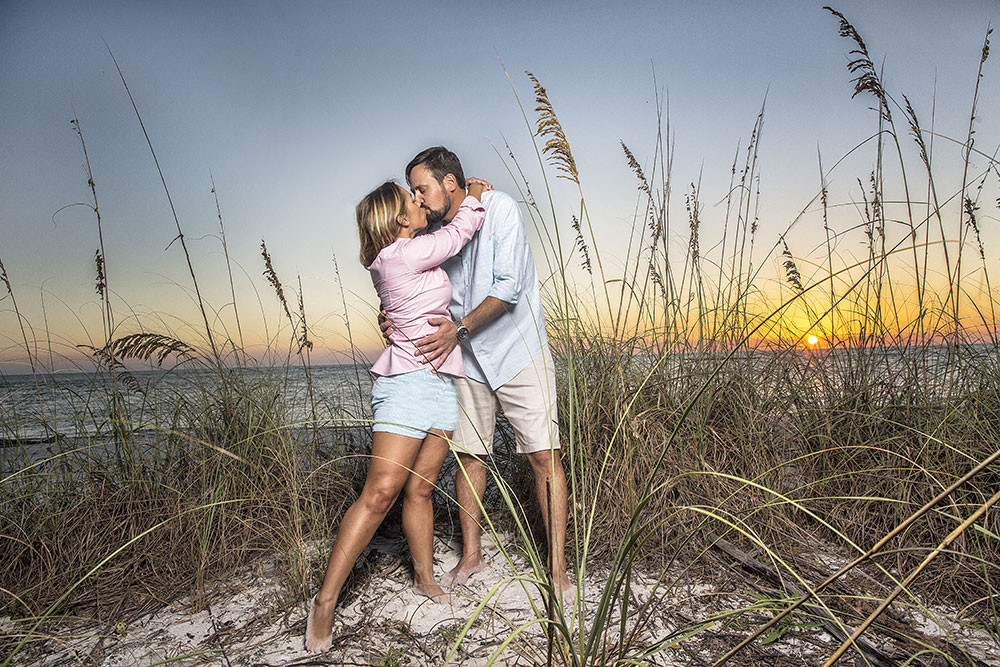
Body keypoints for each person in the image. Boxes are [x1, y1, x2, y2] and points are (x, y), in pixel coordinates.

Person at [305, 179, 487, 653]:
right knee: (379, 494)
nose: (420, 200)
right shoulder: (400, 255)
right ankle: (325, 603)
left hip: (442, 385)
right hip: (405, 386)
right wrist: (474, 198)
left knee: (421, 489)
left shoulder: (406, 254)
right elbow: (456, 236)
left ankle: (424, 577)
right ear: (399, 219)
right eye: (412, 199)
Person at [403, 146, 573, 604]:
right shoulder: (438, 235)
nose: (417, 199)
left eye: (423, 188)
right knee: (469, 457)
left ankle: (558, 572)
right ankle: (472, 554)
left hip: (519, 352)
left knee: (543, 457)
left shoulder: (501, 210)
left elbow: (508, 290)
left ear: (451, 183)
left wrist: (456, 329)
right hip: (468, 359)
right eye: (414, 192)